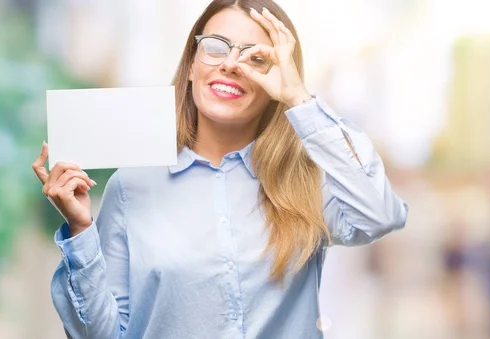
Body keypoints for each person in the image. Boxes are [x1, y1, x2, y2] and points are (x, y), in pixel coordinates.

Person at [32, 0, 408, 338]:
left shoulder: (302, 181)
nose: (231, 64)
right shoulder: (131, 185)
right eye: (216, 48)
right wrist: (81, 230)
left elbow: (379, 216)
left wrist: (299, 98)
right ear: (192, 67)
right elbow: (100, 336)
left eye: (256, 58)